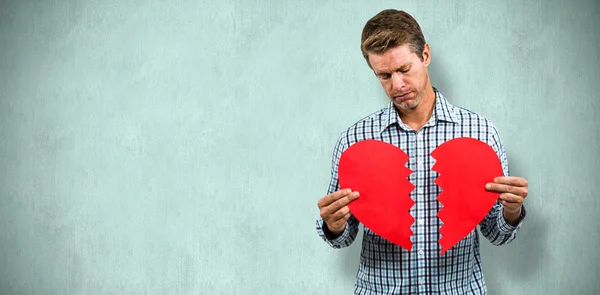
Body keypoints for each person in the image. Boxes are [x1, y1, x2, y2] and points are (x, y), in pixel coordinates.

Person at [315, 9, 529, 295]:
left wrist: (511, 211)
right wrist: (333, 225)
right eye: (384, 75)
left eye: (404, 70)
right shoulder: (355, 141)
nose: (397, 85)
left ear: (425, 55)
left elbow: (496, 235)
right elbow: (343, 237)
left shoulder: (480, 133)